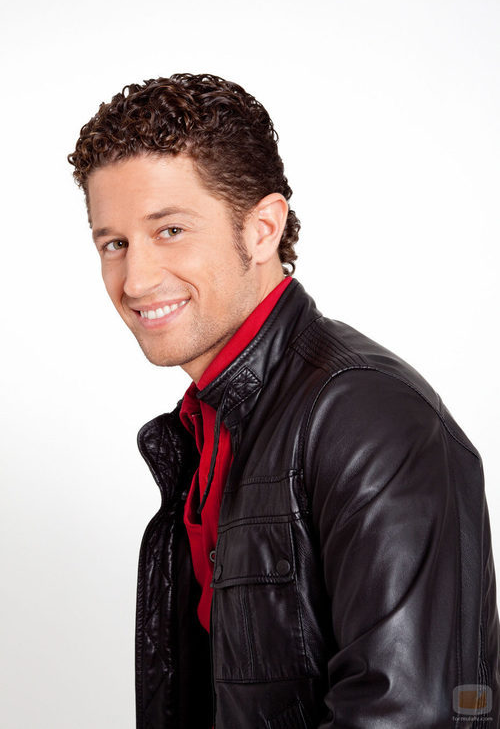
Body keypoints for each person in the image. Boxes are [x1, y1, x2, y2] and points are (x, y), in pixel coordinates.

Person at [67, 73, 500, 728]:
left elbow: (411, 713)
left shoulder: (364, 415)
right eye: (114, 243)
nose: (135, 279)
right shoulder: (209, 424)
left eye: (171, 230)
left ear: (263, 228)